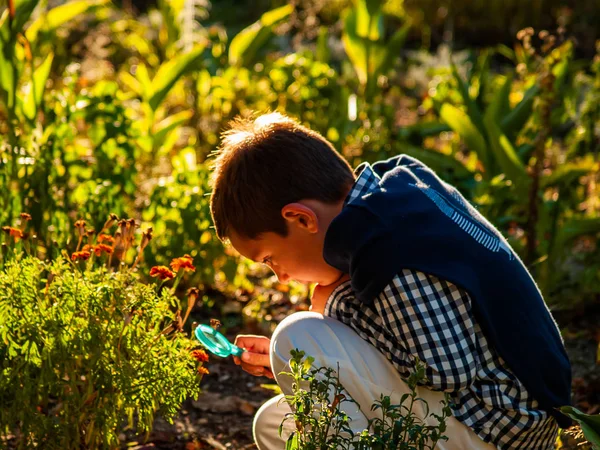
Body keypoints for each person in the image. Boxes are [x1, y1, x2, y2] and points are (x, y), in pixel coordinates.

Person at [208, 112, 572, 449]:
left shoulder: (386, 246)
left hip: (497, 429)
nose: (281, 277)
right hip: (495, 417)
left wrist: (335, 309)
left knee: (296, 336)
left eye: (271, 260)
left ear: (302, 220)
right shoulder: (391, 203)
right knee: (275, 424)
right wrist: (298, 364)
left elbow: (446, 372)